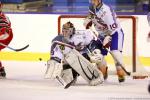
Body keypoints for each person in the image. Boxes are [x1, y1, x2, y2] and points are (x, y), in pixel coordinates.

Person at [45, 21, 105, 87]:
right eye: (63, 30)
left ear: (72, 30)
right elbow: (56, 57)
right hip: (69, 61)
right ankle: (74, 75)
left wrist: (94, 52)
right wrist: (55, 63)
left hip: (84, 57)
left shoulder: (83, 34)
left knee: (97, 57)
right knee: (67, 80)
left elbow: (92, 43)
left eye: (67, 31)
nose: (65, 33)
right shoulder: (58, 40)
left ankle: (97, 75)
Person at [84, 0, 126, 82]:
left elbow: (112, 29)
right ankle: (103, 71)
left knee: (115, 53)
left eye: (94, 0)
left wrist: (108, 38)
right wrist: (87, 21)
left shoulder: (106, 10)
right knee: (97, 54)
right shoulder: (91, 7)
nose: (92, 1)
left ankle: (120, 71)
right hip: (102, 35)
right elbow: (91, 16)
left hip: (114, 33)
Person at [0, 2, 13, 78]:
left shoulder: (2, 17)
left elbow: (5, 32)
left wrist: (1, 36)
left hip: (5, 37)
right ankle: (0, 70)